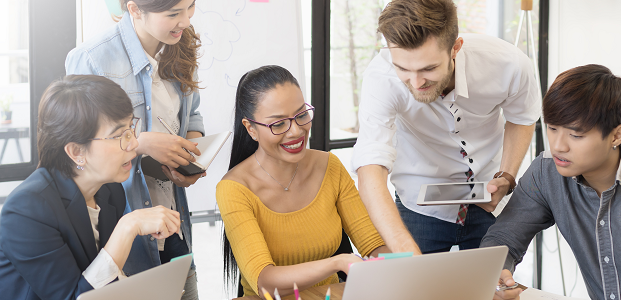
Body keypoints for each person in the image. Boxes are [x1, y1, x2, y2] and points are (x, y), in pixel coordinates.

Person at [482, 64, 621, 300]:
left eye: (576, 135)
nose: (558, 146)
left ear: (617, 135)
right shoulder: (545, 172)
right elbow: (504, 238)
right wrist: (495, 274)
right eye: (552, 128)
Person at [351, 0, 541, 254]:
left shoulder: (509, 64)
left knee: (489, 290)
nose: (416, 82)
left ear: (455, 48)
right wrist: (404, 249)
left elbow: (522, 117)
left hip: (489, 201)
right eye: (403, 68)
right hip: (418, 206)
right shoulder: (381, 79)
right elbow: (370, 168)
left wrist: (507, 176)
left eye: (428, 68)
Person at [65, 1, 204, 297]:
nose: (186, 21)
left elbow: (192, 114)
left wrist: (187, 158)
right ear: (135, 9)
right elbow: (79, 143)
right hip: (124, 227)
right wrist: (144, 143)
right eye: (173, 14)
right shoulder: (92, 59)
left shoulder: (179, 45)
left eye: (190, 7)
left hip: (172, 219)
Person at [0, 75, 182, 300]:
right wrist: (128, 225)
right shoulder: (26, 210)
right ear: (77, 152)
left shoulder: (110, 191)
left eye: (131, 129)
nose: (134, 143)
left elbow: (106, 283)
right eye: (119, 135)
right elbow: (74, 297)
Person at [216, 65, 389, 297]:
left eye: (301, 115)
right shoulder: (234, 189)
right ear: (251, 129)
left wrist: (404, 264)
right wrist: (335, 263)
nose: (296, 131)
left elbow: (372, 244)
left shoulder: (330, 166)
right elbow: (265, 282)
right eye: (278, 124)